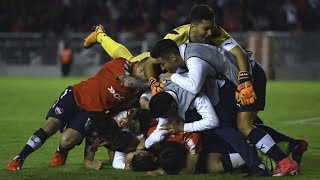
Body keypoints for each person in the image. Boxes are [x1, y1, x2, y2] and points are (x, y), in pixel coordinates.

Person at [150, 38, 299, 176]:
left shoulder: (193, 60)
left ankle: (279, 162)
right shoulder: (184, 57)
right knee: (239, 126)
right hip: (233, 83)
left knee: (240, 127)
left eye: (163, 64)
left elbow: (194, 87)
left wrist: (183, 127)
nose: (163, 69)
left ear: (173, 57)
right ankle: (290, 146)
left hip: (241, 81)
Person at [83, 5, 256, 106]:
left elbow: (239, 53)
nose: (210, 33)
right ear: (193, 27)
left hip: (186, 72)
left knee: (127, 58)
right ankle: (100, 35)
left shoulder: (217, 32)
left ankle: (99, 35)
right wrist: (154, 83)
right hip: (160, 64)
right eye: (205, 29)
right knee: (128, 62)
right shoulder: (177, 36)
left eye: (212, 27)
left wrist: (244, 79)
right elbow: (153, 61)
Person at [7, 56, 149, 171]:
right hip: (75, 96)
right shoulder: (121, 63)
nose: (147, 80)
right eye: (147, 76)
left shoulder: (138, 90)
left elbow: (125, 105)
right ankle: (20, 157)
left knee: (67, 139)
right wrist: (152, 83)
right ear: (141, 70)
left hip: (91, 111)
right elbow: (127, 82)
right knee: (51, 125)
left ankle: (61, 151)